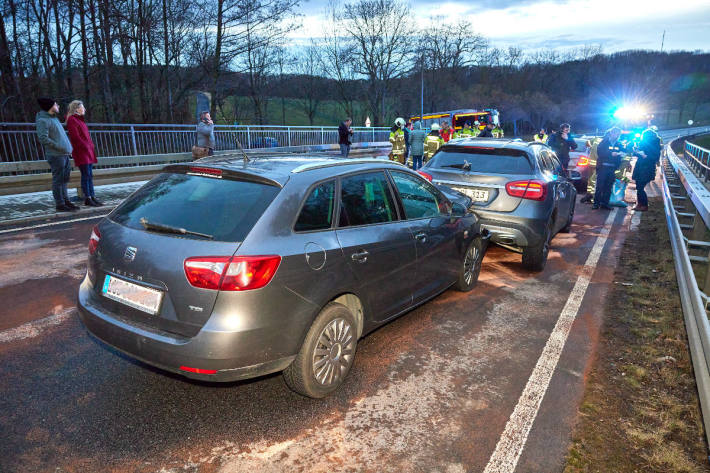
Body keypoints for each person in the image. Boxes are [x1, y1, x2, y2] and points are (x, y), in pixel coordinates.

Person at [35, 97, 78, 212]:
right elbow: (43, 138)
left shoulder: (54, 119)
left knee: (64, 179)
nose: (58, 106)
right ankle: (60, 204)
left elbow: (60, 136)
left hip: (64, 154)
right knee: (58, 180)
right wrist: (60, 147)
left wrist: (67, 148)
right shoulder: (43, 120)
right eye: (56, 104)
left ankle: (66, 201)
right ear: (50, 107)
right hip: (56, 155)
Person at [66, 100, 102, 207]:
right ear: (77, 109)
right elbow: (75, 137)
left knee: (89, 175)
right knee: (86, 175)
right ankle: (88, 197)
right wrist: (86, 146)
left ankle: (92, 196)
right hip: (82, 151)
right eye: (83, 107)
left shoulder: (80, 120)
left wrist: (90, 146)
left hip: (87, 151)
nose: (84, 109)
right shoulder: (72, 120)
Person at [593, 127, 623, 210]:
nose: (617, 135)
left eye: (618, 134)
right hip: (603, 167)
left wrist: (621, 154)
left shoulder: (619, 144)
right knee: (600, 186)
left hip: (612, 168)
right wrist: (610, 154)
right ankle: (596, 203)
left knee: (608, 187)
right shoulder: (604, 142)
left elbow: (622, 153)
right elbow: (600, 152)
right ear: (611, 133)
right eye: (615, 133)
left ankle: (605, 203)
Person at [631, 129, 661, 211]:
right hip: (640, 167)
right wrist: (636, 151)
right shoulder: (643, 143)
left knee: (640, 187)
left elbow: (655, 157)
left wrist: (646, 156)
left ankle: (644, 205)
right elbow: (637, 153)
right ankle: (640, 204)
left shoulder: (655, 145)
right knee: (639, 187)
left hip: (647, 168)